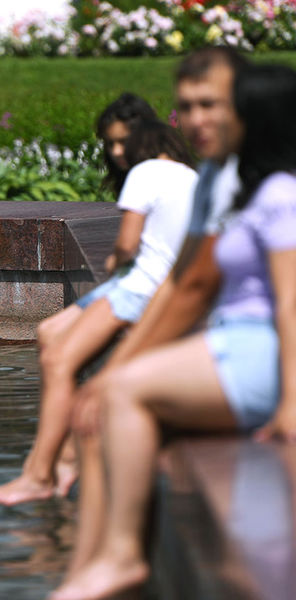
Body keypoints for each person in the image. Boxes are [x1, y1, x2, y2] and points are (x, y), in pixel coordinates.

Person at [50, 62, 296, 600]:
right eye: (187, 107)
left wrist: (291, 405)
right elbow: (183, 281)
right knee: (102, 403)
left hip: (258, 356)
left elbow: (289, 303)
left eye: (212, 106)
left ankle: (121, 556)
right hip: (231, 345)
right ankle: (86, 569)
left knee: (119, 394)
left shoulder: (279, 194)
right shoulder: (231, 184)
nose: (195, 119)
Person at [0, 115, 198, 507]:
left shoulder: (146, 172)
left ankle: (41, 472)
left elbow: (127, 245)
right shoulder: (190, 175)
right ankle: (61, 458)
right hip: (145, 281)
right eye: (110, 144)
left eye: (121, 143)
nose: (116, 152)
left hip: (141, 287)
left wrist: (116, 260)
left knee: (60, 357)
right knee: (49, 332)